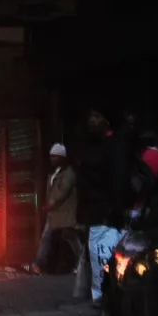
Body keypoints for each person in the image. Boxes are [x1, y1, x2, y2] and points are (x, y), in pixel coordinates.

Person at [74, 111, 127, 304]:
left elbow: (117, 180)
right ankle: (100, 297)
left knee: (102, 256)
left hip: (105, 212)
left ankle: (104, 297)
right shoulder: (92, 146)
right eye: (90, 118)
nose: (92, 121)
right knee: (96, 256)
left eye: (97, 117)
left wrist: (114, 208)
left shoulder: (114, 147)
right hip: (94, 212)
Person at [31, 143, 79, 275]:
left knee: (71, 238)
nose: (52, 159)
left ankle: (81, 264)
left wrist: (50, 204)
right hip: (55, 213)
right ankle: (38, 264)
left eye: (55, 157)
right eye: (51, 157)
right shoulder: (54, 172)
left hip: (64, 212)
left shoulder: (69, 173)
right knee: (47, 237)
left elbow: (62, 191)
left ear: (62, 158)